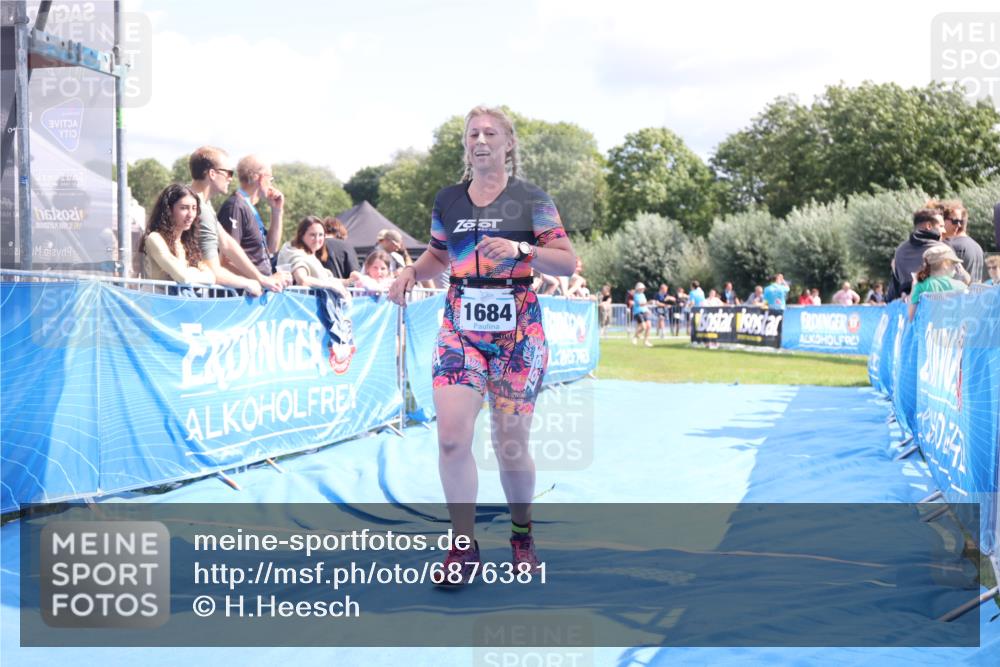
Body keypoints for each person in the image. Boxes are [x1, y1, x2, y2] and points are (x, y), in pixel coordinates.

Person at [387, 106, 576, 585]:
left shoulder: (532, 199)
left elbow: (567, 263)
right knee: (451, 437)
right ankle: (463, 547)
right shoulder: (448, 199)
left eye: (491, 133)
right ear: (466, 145)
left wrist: (522, 251)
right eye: (473, 133)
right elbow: (436, 255)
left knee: (510, 446)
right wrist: (412, 271)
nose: (481, 139)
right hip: (460, 329)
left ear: (509, 143)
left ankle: (521, 533)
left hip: (518, 334)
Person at [187, 146, 284, 295]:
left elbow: (226, 242)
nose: (231, 178)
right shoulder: (200, 206)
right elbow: (217, 268)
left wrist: (261, 279)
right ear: (212, 174)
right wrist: (254, 281)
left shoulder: (204, 204)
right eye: (228, 173)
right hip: (187, 297)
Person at [218, 155, 286, 280]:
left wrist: (277, 211)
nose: (271, 183)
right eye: (270, 178)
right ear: (257, 177)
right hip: (241, 295)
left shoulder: (249, 208)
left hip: (257, 292)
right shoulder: (235, 206)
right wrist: (264, 280)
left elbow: (271, 248)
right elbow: (226, 261)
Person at [140, 184, 216, 285]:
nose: (191, 215)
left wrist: (188, 272)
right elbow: (183, 277)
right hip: (156, 299)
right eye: (184, 208)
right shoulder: (155, 238)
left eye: (194, 208)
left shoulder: (187, 244)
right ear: (168, 210)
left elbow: (211, 278)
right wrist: (193, 271)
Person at [275, 216, 351, 298]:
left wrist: (350, 281)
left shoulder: (310, 255)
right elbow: (303, 280)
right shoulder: (294, 252)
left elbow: (325, 280)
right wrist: (331, 286)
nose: (317, 239)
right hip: (298, 305)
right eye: (313, 235)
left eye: (321, 235)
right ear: (301, 235)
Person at [887, 208, 945, 301]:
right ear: (929, 226)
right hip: (937, 307)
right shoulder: (942, 249)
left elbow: (896, 286)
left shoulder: (900, 250)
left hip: (906, 308)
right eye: (941, 226)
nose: (944, 230)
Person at [908, 245, 967, 320]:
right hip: (952, 330)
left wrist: (913, 289)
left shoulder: (920, 285)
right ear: (945, 263)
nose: (955, 267)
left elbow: (911, 316)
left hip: (928, 329)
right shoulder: (961, 286)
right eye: (954, 263)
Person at [942, 202, 985, 283]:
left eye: (959, 221)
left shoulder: (949, 246)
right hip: (974, 295)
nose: (958, 225)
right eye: (955, 221)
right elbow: (979, 281)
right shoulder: (977, 246)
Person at [631, 282, 653, 347]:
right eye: (641, 288)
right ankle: (635, 336)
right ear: (638, 289)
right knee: (643, 327)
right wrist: (649, 302)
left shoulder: (643, 295)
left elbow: (644, 305)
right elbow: (640, 304)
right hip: (638, 312)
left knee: (649, 326)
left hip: (644, 312)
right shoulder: (636, 295)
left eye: (643, 288)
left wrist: (647, 310)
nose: (643, 290)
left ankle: (646, 341)